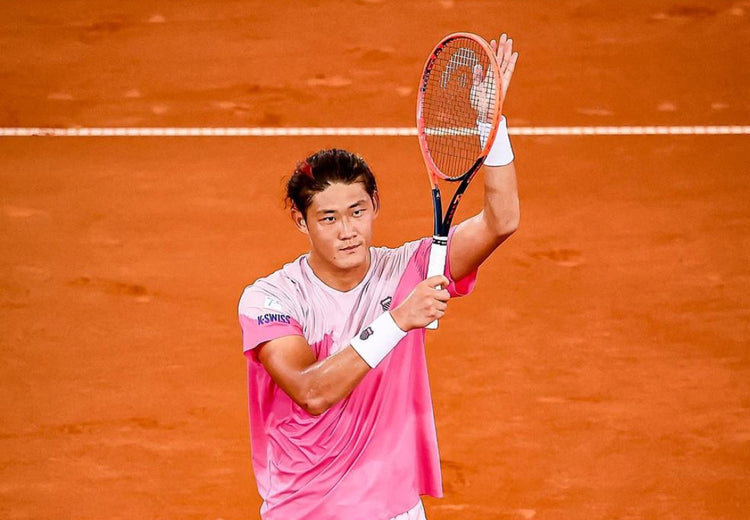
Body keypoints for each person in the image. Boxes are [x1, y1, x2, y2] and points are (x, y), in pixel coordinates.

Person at [238, 34, 519, 520]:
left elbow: (501, 220)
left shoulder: (410, 268)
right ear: (301, 222)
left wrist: (490, 127)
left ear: (375, 208)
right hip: (308, 511)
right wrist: (399, 319)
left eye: (357, 211)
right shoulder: (269, 299)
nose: (348, 231)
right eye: (328, 218)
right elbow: (312, 391)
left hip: (395, 508)